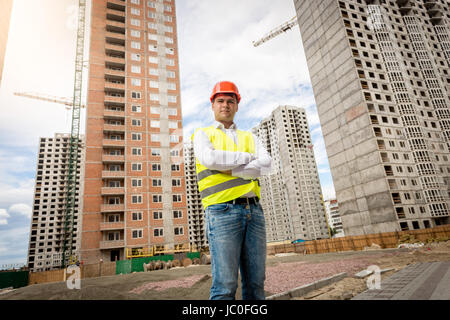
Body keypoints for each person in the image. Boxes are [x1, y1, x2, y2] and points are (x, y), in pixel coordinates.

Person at [191, 81, 272, 300]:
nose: (225, 105)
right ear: (212, 105)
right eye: (220, 101)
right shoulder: (202, 134)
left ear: (237, 105)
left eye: (230, 101)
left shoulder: (250, 136)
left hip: (254, 212)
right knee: (225, 286)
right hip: (221, 212)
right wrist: (247, 160)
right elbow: (209, 158)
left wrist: (230, 169)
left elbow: (267, 164)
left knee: (256, 284)